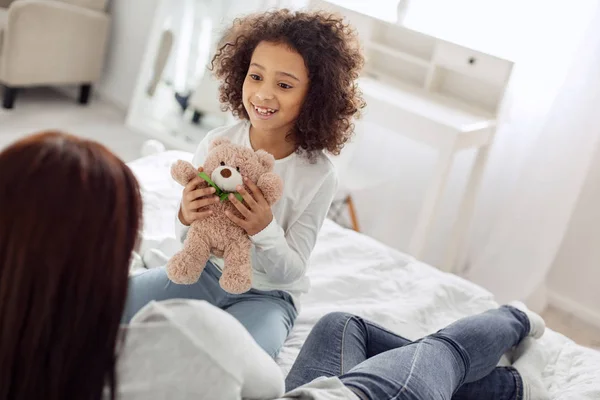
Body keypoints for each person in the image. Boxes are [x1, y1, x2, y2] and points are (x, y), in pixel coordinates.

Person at [0, 132, 549, 400]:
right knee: (436, 353)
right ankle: (516, 337)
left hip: (263, 294)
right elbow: (268, 386)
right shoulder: (182, 335)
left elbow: (285, 272)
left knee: (340, 327)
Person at [123, 9, 366, 358]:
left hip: (267, 296)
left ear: (315, 95)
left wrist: (263, 228)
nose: (263, 94)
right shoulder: (217, 143)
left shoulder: (318, 174)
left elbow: (290, 272)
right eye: (255, 76)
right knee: (109, 304)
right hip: (203, 272)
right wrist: (185, 215)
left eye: (283, 85)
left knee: (243, 363)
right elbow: (192, 240)